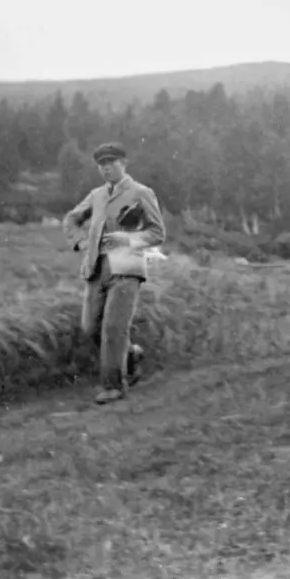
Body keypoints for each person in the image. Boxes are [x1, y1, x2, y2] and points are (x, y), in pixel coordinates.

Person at [62, 142, 167, 404]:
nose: (106, 168)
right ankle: (131, 355)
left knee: (113, 328)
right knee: (90, 327)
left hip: (127, 269)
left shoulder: (141, 192)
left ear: (124, 163)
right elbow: (71, 219)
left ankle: (113, 386)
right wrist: (82, 242)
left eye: (112, 162)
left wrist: (127, 239)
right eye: (101, 164)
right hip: (96, 268)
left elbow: (157, 233)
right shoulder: (96, 195)